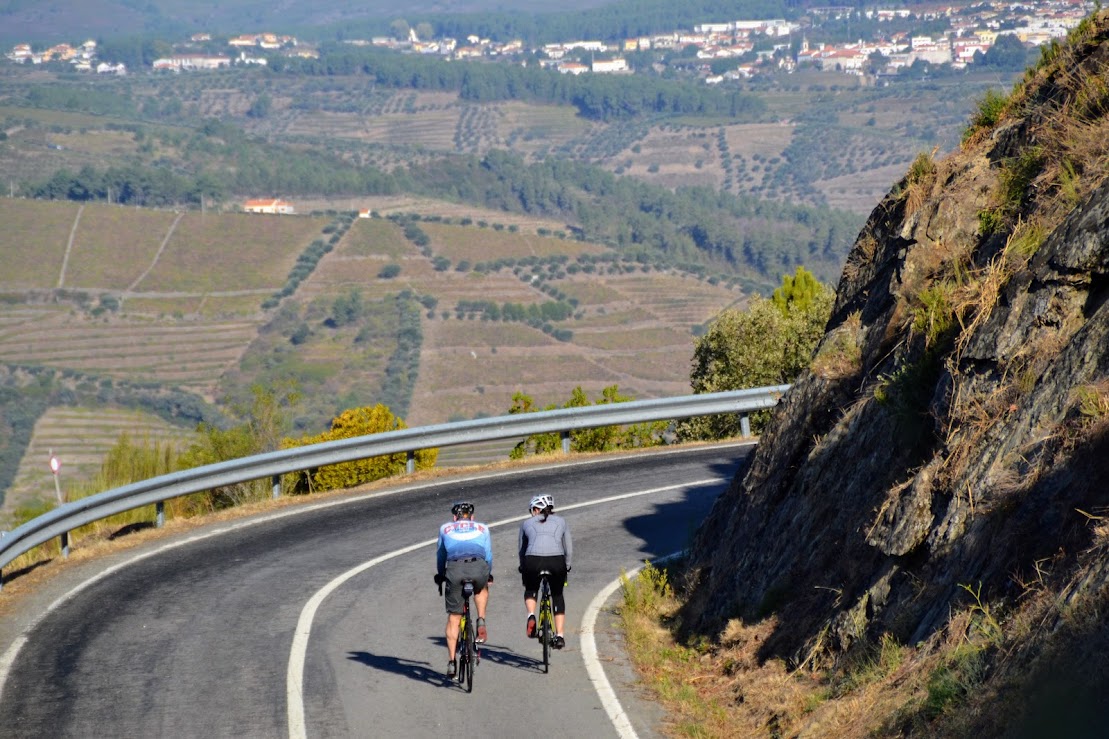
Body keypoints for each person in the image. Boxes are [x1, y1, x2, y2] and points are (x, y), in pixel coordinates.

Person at [435, 500, 493, 678]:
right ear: (472, 518)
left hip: (455, 569)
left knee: (454, 618)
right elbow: (488, 555)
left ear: (455, 517)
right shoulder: (482, 528)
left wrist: (441, 575)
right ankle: (481, 619)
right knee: (482, 587)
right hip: (478, 566)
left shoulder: (445, 528)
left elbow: (441, 556)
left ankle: (452, 662)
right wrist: (488, 574)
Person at [518, 493, 572, 649]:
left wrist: (523, 567)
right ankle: (560, 636)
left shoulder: (526, 523)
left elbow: (521, 550)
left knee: (531, 588)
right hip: (556, 561)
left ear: (536, 510)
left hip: (532, 561)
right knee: (557, 595)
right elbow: (568, 547)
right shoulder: (561, 521)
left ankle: (531, 615)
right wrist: (567, 565)